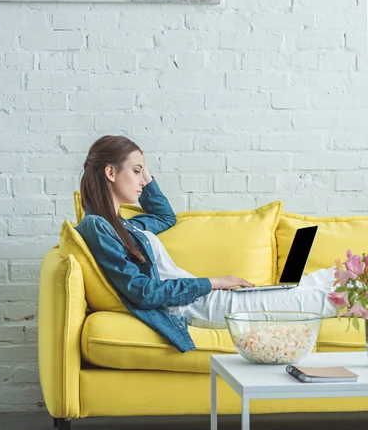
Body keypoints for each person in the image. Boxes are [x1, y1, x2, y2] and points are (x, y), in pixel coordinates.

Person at [75, 135, 337, 353]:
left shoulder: (128, 226)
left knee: (325, 279)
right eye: (136, 171)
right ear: (110, 172)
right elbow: (143, 293)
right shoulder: (98, 227)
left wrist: (143, 169)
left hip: (204, 297)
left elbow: (165, 216)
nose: (143, 181)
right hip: (194, 305)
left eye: (143, 173)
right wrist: (212, 282)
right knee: (316, 297)